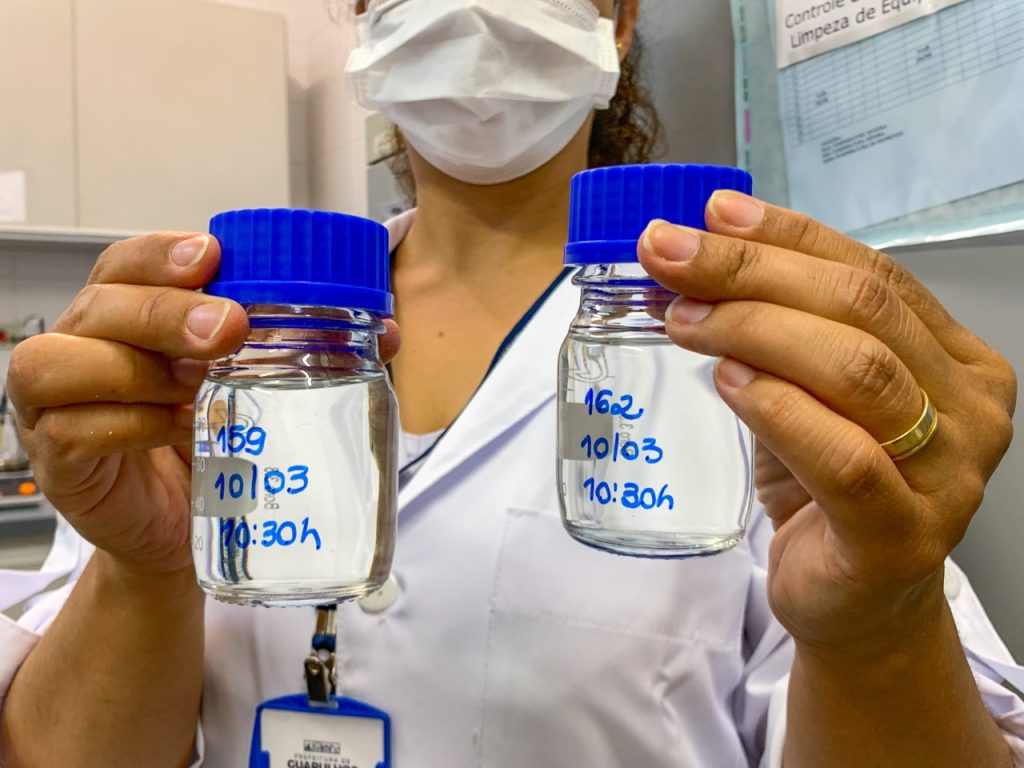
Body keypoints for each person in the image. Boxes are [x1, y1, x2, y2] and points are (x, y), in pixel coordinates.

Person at [1, 0, 1022, 765]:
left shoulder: (747, 341)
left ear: (616, 19)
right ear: (363, 16)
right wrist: (143, 571)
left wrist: (877, 629)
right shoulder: (231, 339)